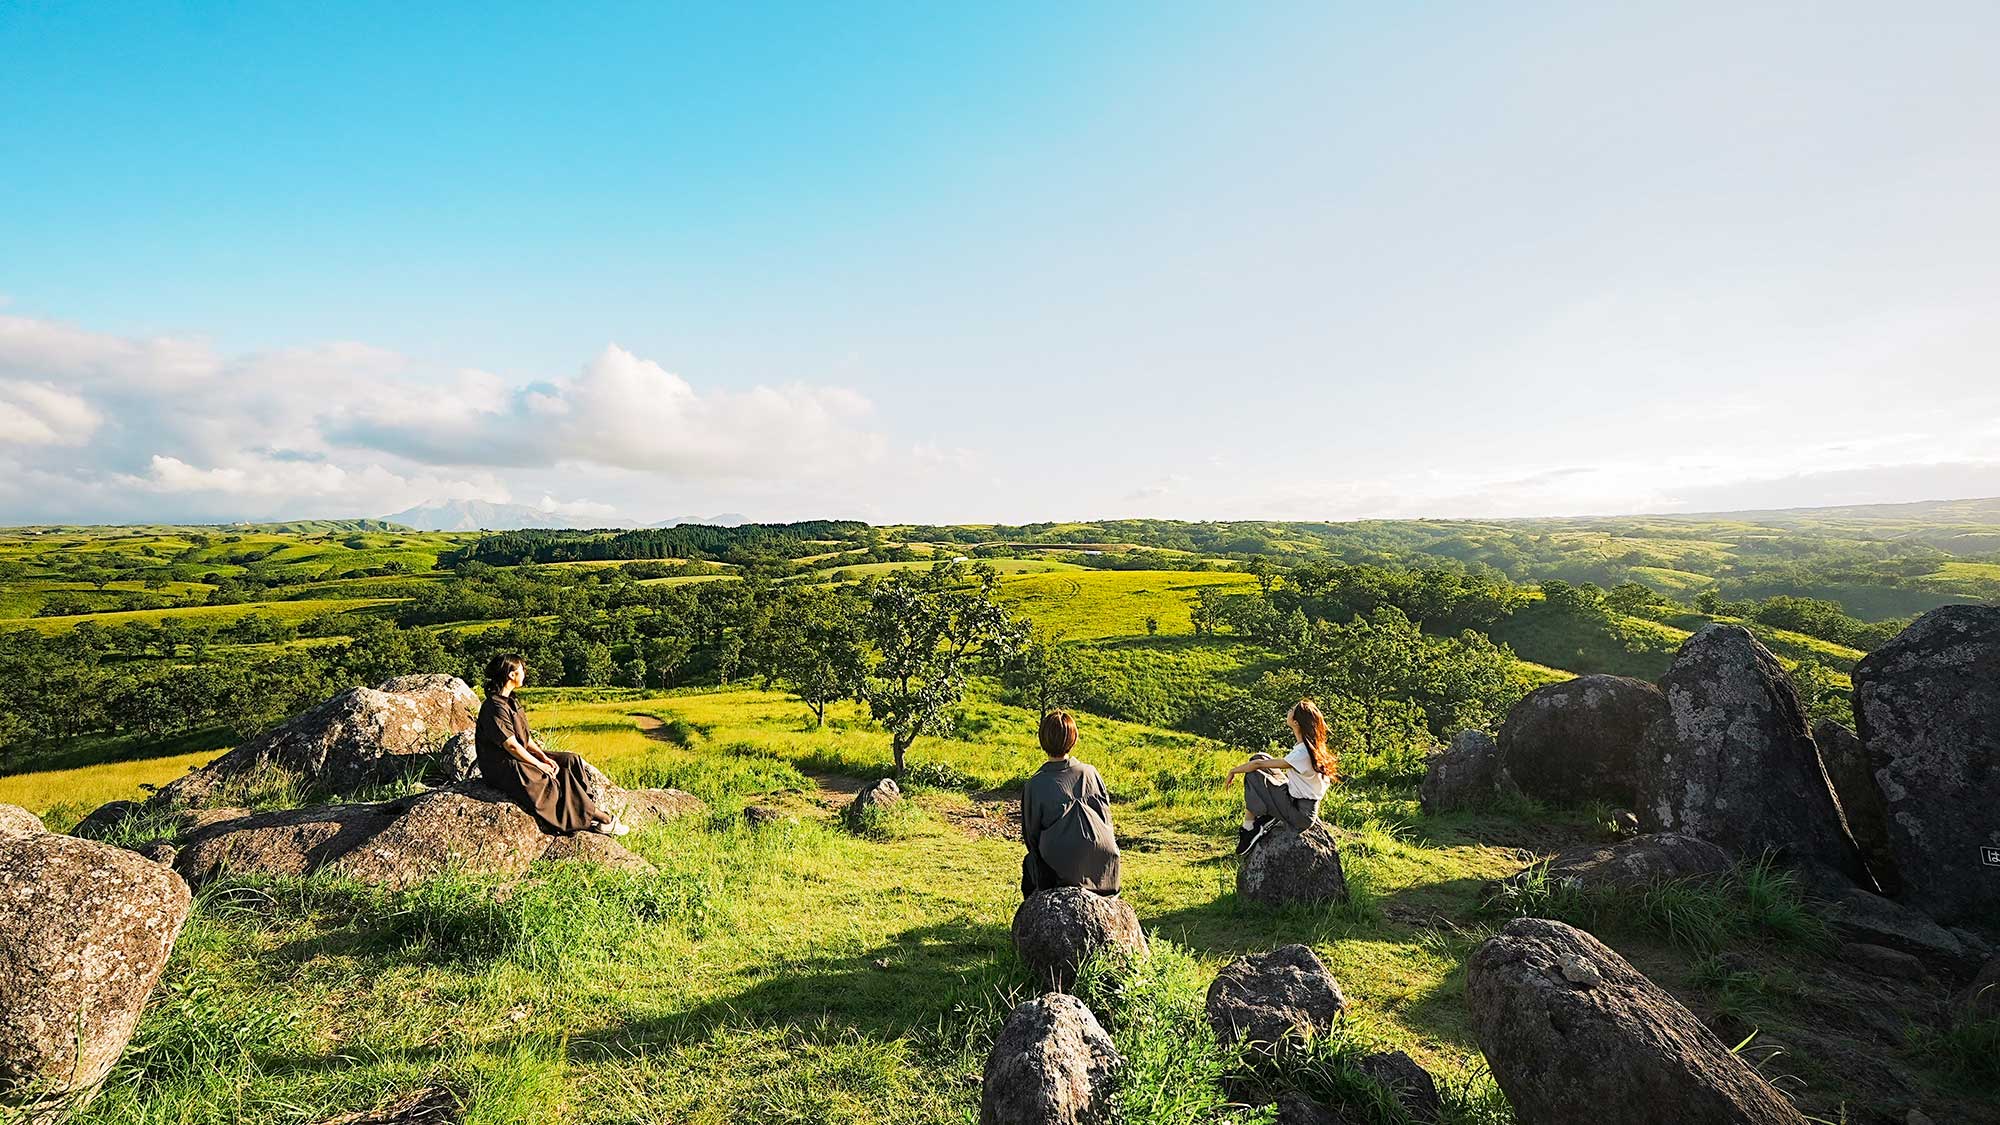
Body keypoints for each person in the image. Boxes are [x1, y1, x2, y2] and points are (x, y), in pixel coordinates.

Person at [475, 654, 628, 836]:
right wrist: (539, 765)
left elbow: (526, 739)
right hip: (502, 764)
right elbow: (511, 746)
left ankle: (583, 809)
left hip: (517, 754)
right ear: (511, 675)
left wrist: (543, 756)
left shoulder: (511, 701)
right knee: (551, 777)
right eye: (522, 670)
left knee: (569, 760)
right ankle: (603, 818)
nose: (525, 673)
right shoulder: (494, 706)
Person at [1019, 710, 1121, 898]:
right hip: (1106, 870)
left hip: (1061, 876)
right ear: (1073, 740)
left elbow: (1031, 839)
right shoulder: (1091, 773)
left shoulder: (1035, 784)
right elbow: (1106, 820)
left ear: (1042, 740)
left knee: (1030, 864)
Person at [1223, 699, 1338, 854]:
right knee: (1260, 756)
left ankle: (1249, 828)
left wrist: (1233, 771)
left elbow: (1257, 767)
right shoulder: (1309, 746)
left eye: (1292, 709)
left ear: (1296, 722)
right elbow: (1261, 762)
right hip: (1296, 799)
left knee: (1253, 774)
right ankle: (1270, 813)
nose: (1288, 710)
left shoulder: (1302, 753)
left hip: (1300, 814)